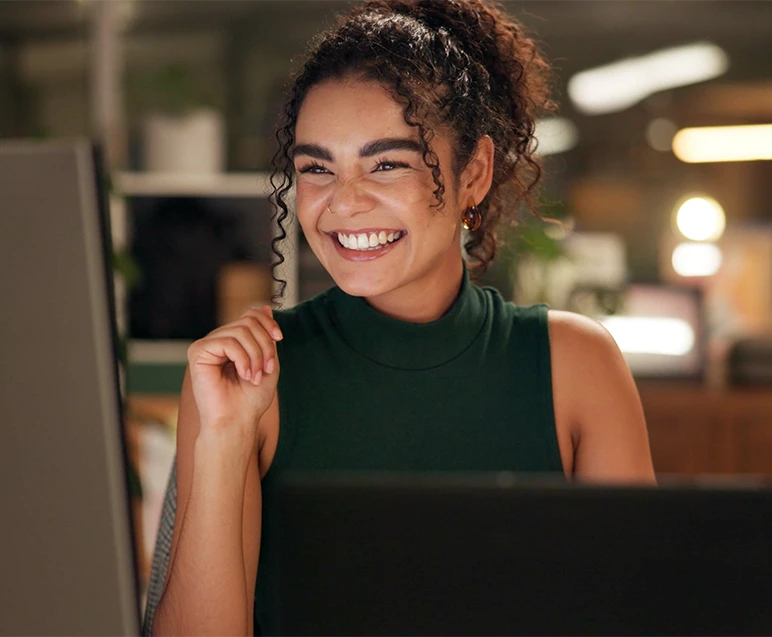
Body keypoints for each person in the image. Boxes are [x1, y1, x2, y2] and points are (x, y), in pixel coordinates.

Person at [150, 1, 655, 635]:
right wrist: (222, 443)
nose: (344, 202)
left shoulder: (575, 366)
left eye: (387, 163)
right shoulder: (248, 380)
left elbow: (635, 612)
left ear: (473, 174)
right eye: (316, 168)